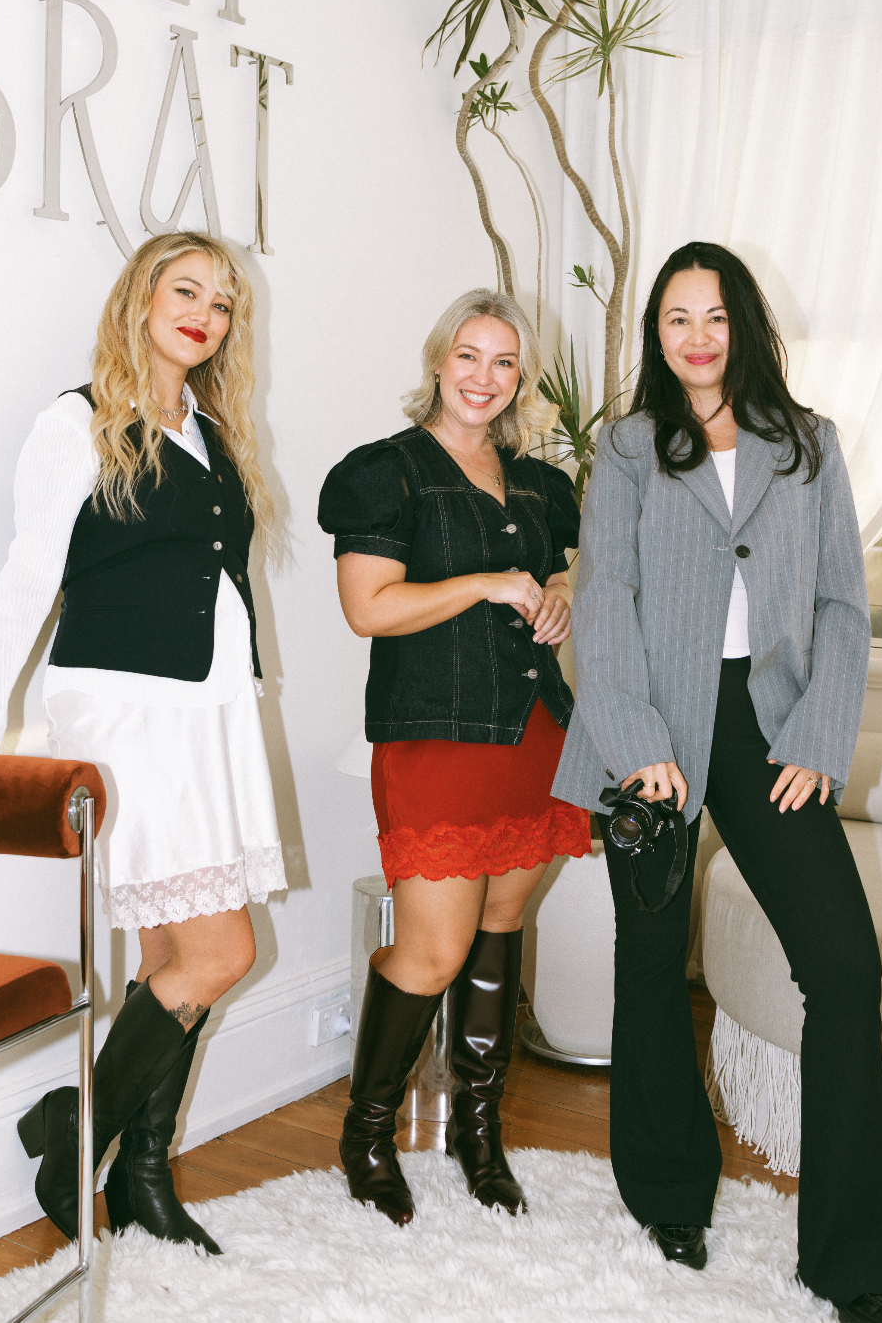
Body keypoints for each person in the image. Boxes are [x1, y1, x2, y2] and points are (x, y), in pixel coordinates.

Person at [0, 231, 286, 1256]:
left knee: (170, 952)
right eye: (186, 289)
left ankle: (140, 1176)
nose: (206, 311)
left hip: (206, 705)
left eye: (224, 301)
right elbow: (32, 570)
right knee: (220, 951)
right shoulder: (76, 422)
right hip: (120, 704)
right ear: (140, 299)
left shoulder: (209, 428)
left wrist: (237, 690)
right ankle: (71, 1144)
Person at [552, 242, 882, 1323]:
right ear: (654, 336)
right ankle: (669, 1193)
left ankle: (849, 1264)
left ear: (742, 326)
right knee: (651, 962)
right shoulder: (622, 449)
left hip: (768, 731)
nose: (696, 337)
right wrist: (629, 735)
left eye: (713, 318)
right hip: (650, 725)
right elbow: (602, 595)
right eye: (675, 320)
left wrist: (816, 733)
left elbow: (843, 604)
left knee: (844, 967)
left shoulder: (806, 446)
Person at [317, 289, 590, 1227]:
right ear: (438, 362)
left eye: (504, 363)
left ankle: (480, 1132)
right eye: (468, 356)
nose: (484, 377)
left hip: (533, 735)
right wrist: (484, 582)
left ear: (521, 379)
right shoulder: (383, 474)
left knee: (500, 927)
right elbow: (370, 608)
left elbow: (563, 568)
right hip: (434, 735)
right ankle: (367, 1132)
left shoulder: (545, 484)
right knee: (433, 951)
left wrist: (556, 590)